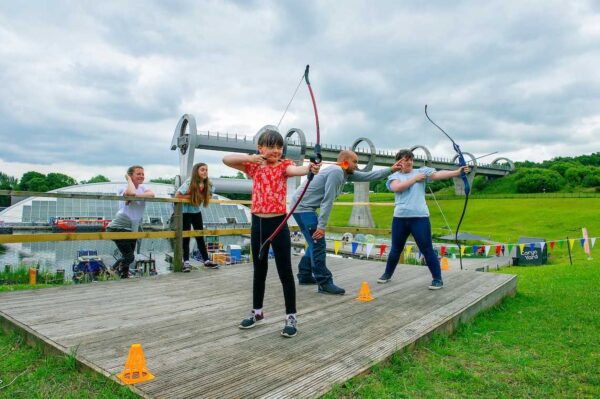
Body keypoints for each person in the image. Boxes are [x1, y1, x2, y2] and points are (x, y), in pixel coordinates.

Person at [223, 125, 320, 338]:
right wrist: (251, 158)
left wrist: (311, 168)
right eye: (271, 147)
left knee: (285, 271)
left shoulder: (284, 165)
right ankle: (257, 312)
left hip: (278, 224)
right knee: (259, 270)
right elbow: (226, 160)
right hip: (257, 223)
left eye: (279, 147)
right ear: (260, 148)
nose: (276, 151)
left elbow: (298, 170)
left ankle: (291, 316)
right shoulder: (253, 167)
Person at [291, 150, 403, 294]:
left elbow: (368, 176)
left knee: (314, 242)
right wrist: (322, 226)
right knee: (318, 243)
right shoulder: (337, 172)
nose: (357, 166)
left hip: (302, 206)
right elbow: (327, 200)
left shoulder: (345, 173)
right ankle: (324, 283)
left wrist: (391, 169)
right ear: (344, 161)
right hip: (303, 208)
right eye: (354, 162)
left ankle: (305, 275)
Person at [377, 149, 469, 289]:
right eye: (405, 160)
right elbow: (397, 188)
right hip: (400, 218)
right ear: (399, 162)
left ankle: (437, 279)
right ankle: (387, 274)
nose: (409, 162)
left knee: (427, 249)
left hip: (420, 218)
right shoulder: (394, 176)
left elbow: (437, 174)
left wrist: (457, 172)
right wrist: (414, 179)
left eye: (410, 160)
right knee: (396, 249)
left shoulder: (422, 171)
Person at [106, 165, 155, 278]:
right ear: (130, 175)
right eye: (138, 174)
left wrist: (136, 197)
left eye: (142, 174)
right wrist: (128, 180)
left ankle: (124, 276)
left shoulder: (143, 188)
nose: (141, 176)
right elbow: (131, 193)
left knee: (129, 255)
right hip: (119, 227)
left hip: (133, 227)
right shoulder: (123, 189)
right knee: (129, 257)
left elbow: (151, 195)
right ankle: (112, 270)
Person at [175, 162, 218, 272]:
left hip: (196, 211)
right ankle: (186, 262)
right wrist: (193, 196)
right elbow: (178, 194)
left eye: (206, 170)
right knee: (186, 236)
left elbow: (210, 193)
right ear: (196, 172)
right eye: (202, 170)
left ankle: (206, 260)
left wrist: (203, 195)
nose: (205, 172)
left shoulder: (207, 183)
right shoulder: (190, 182)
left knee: (200, 235)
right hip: (185, 211)